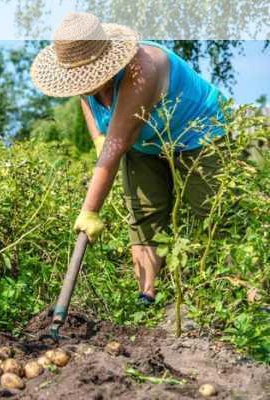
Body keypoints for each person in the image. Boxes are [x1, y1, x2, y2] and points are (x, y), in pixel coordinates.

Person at [30, 12, 227, 305]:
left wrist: (90, 211)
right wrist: (98, 136)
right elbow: (88, 102)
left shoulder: (142, 69)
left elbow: (117, 145)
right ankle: (146, 298)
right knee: (145, 213)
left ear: (106, 61)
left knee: (211, 212)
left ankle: (230, 294)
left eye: (88, 76)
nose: (83, 85)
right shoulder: (83, 77)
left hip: (197, 135)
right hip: (145, 143)